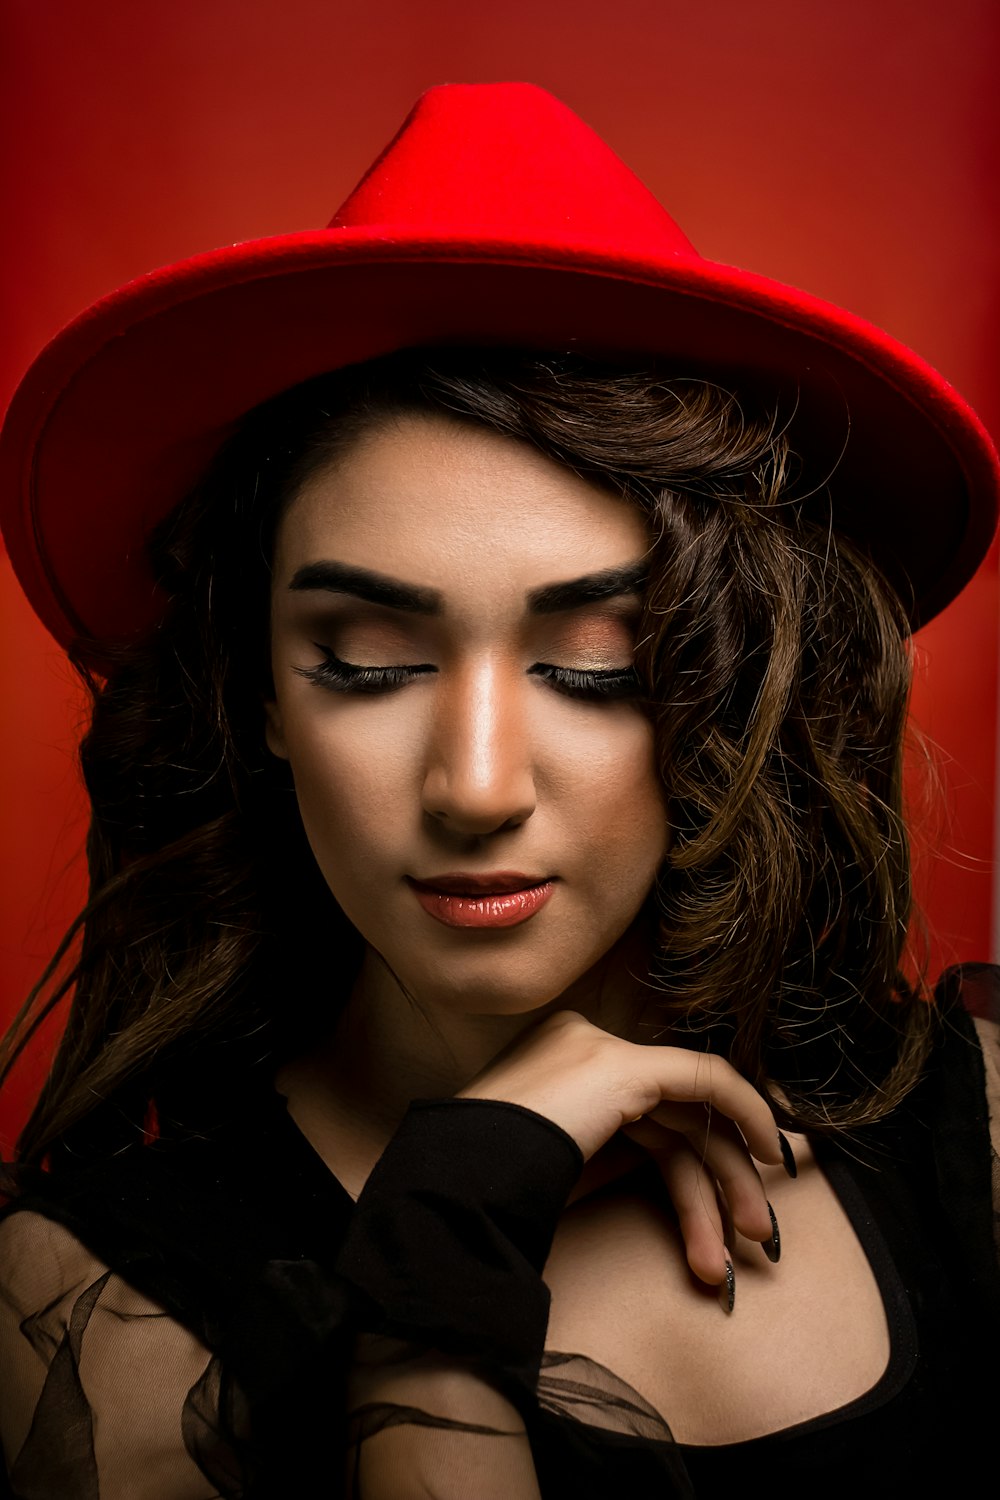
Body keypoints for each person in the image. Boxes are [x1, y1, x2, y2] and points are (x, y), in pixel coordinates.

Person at [0, 82, 997, 1500]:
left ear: (724, 687)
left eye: (595, 665)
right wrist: (443, 1248)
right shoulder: (96, 1314)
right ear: (262, 698)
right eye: (365, 663)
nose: (475, 787)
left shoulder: (985, 1136)